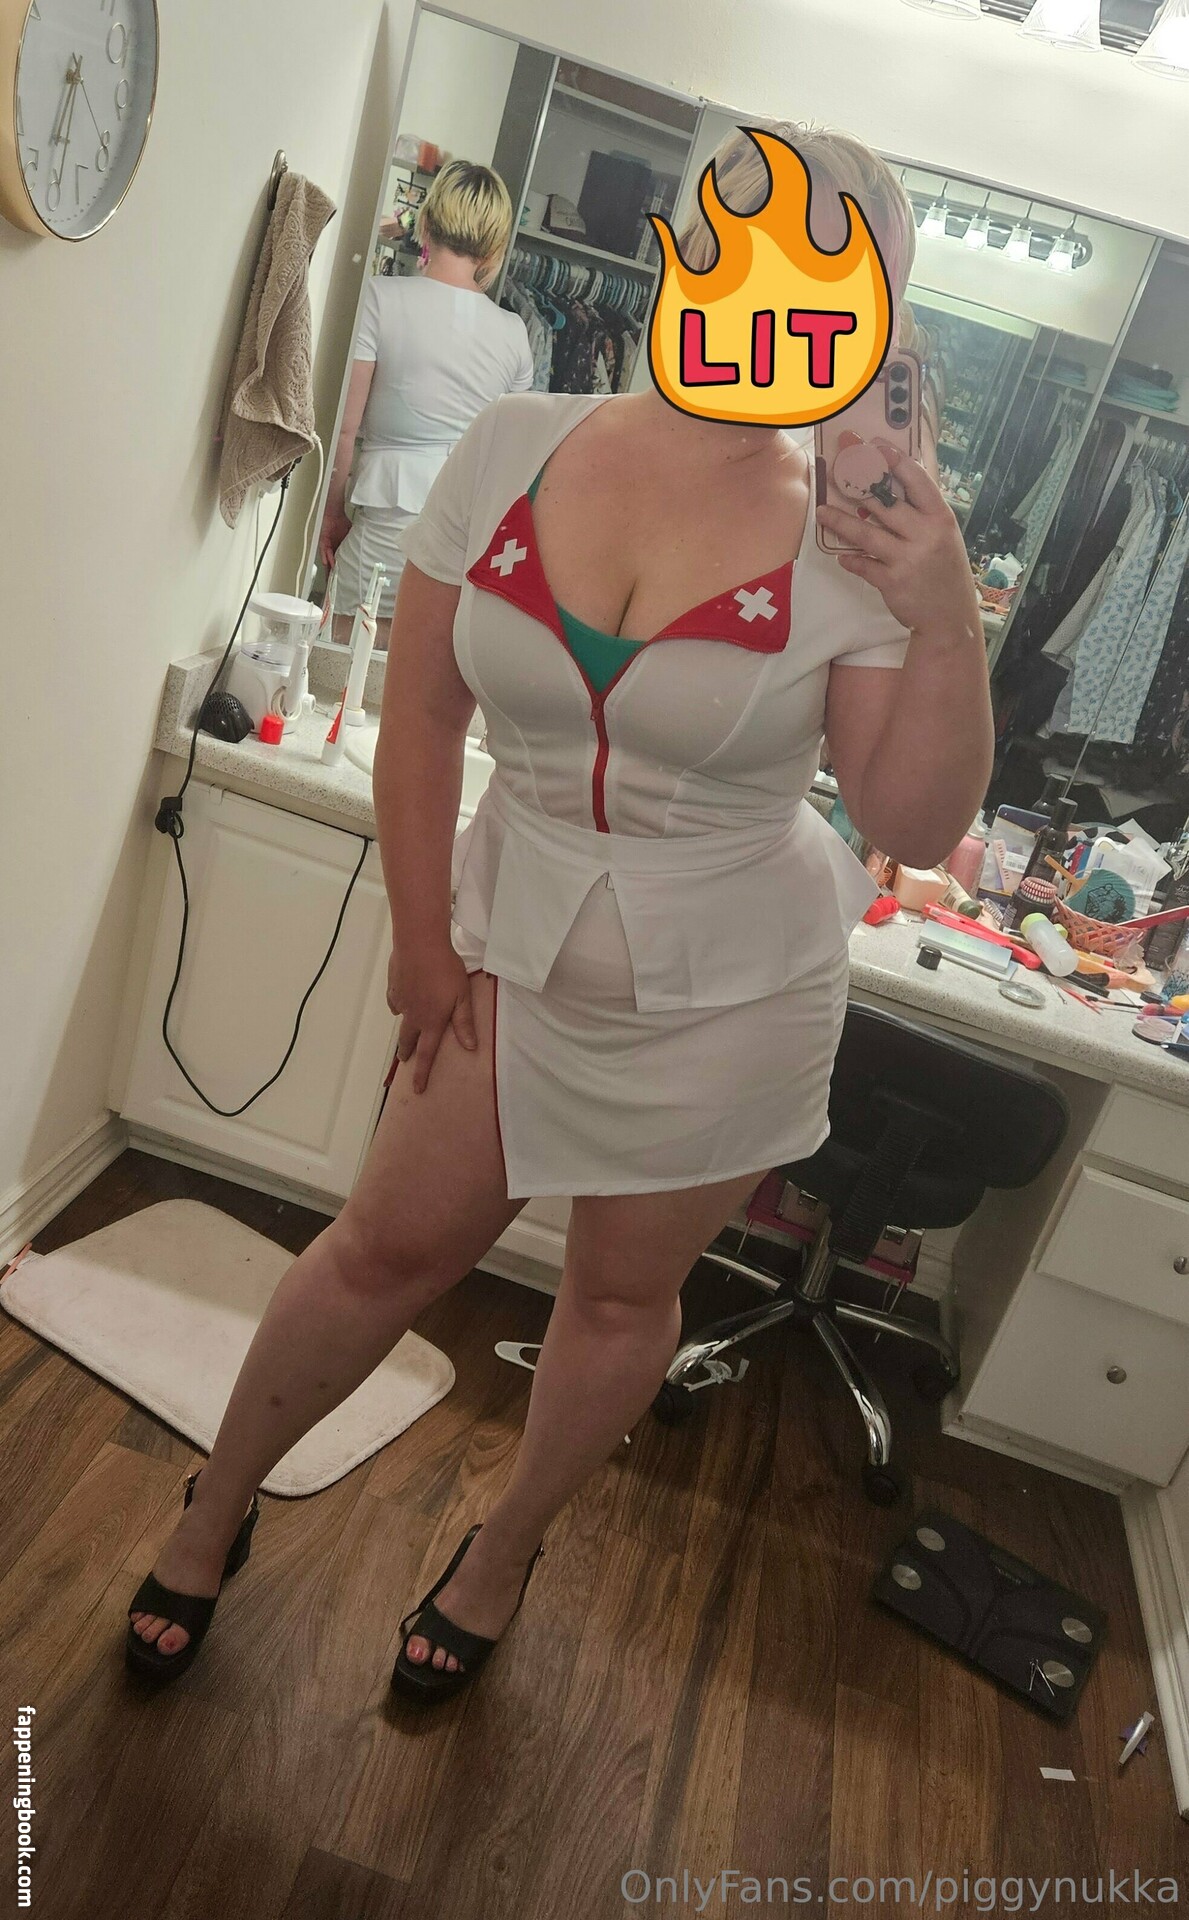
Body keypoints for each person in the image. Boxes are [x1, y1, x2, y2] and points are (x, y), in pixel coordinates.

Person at [127, 121, 993, 1700]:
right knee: (381, 1250)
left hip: (728, 995)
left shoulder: (860, 536)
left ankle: (502, 1548)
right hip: (503, 943)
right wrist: (420, 938)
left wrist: (945, 613)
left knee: (617, 1295)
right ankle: (215, 1504)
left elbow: (910, 821)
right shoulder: (516, 439)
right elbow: (420, 713)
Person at [318, 159, 533, 644]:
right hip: (459, 542)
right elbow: (511, 464)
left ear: (428, 223)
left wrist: (330, 516)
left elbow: (345, 430)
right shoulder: (515, 334)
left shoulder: (381, 299)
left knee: (343, 662)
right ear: (495, 246)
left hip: (383, 524)